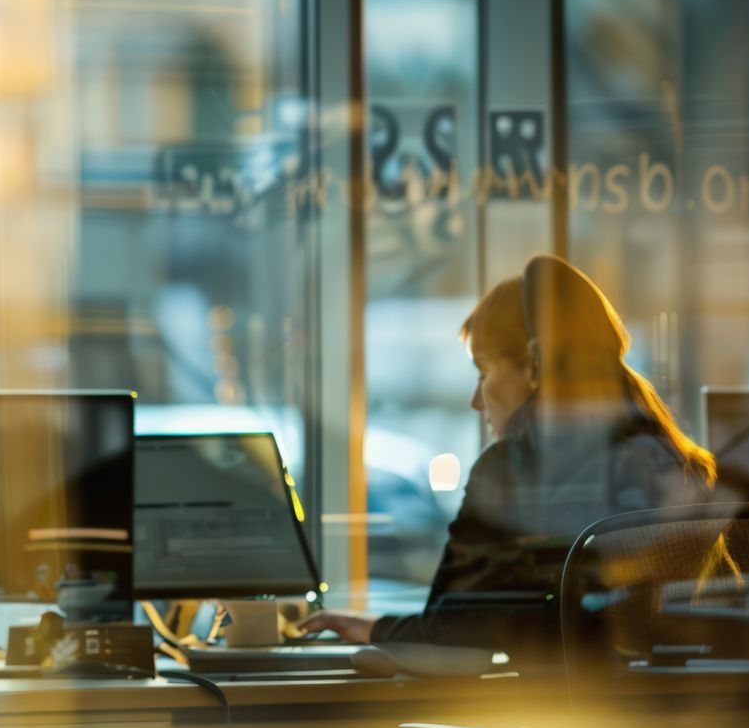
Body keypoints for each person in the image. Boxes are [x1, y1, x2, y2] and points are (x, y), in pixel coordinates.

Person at [301, 254, 716, 658]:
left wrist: (372, 628)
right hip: (677, 700)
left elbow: (451, 632)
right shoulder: (677, 465)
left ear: (533, 369)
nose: (476, 400)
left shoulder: (511, 474)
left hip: (561, 706)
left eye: (484, 372)